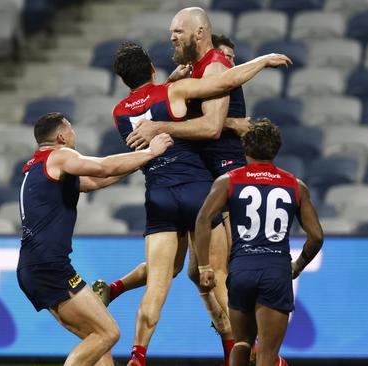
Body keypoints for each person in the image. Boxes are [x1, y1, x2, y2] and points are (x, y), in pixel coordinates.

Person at [95, 42, 291, 366]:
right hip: (197, 191)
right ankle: (257, 354)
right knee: (216, 276)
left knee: (158, 284)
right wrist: (263, 61)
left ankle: (137, 355)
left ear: (123, 80)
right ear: (152, 70)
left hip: (158, 194)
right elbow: (223, 83)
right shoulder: (174, 92)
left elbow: (144, 121)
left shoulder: (119, 113)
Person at [120, 9, 266, 364]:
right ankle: (239, 350)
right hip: (201, 186)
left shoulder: (209, 69)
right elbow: (190, 101)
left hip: (212, 180)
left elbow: (213, 127)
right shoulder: (182, 81)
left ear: (199, 32)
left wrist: (160, 127)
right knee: (202, 275)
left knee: (192, 276)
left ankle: (139, 355)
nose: (171, 37)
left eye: (177, 31)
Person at [17, 112, 174, 366]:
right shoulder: (61, 155)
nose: (74, 133)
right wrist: (151, 152)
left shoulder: (38, 166)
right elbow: (103, 166)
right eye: (71, 128)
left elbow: (95, 181)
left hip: (32, 267)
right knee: (108, 332)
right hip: (50, 266)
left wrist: (138, 160)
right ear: (60, 137)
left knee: (99, 341)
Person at [194, 119, 323, 366]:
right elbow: (316, 236)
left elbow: (203, 219)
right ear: (276, 149)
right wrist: (298, 265)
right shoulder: (296, 185)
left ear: (245, 148)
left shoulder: (228, 181)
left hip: (242, 269)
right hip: (276, 271)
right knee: (266, 353)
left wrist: (204, 267)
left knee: (241, 343)